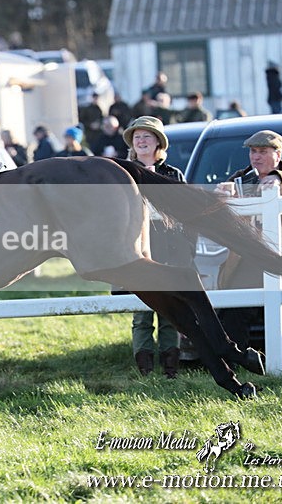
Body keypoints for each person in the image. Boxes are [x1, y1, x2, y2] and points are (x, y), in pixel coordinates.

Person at [215, 130, 282, 372]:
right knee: (234, 310)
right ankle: (234, 364)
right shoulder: (241, 178)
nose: (256, 157)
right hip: (250, 260)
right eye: (253, 152)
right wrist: (222, 195)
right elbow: (221, 207)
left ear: (278, 154)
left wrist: (277, 179)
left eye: (263, 152)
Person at [123, 116, 195, 377]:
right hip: (137, 251)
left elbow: (185, 212)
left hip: (170, 249)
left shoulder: (173, 174)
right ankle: (145, 369)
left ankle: (170, 368)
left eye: (147, 136)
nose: (141, 141)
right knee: (142, 314)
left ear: (158, 143)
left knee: (170, 313)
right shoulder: (123, 173)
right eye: (137, 137)